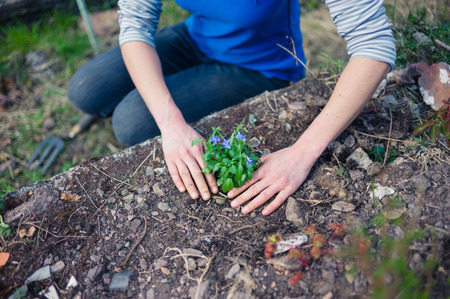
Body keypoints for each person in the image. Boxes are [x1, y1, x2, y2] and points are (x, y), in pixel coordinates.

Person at [68, 0, 396, 216]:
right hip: (196, 37)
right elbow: (136, 25)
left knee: (131, 121)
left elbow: (374, 45)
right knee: (86, 89)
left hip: (260, 65)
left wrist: (303, 152)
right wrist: (171, 122)